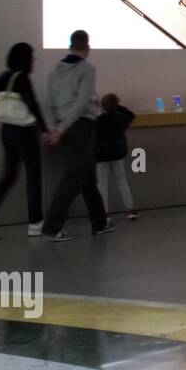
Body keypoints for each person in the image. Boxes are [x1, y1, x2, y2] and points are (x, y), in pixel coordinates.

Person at [0, 42, 51, 240]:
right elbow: (32, 104)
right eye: (32, 56)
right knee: (33, 177)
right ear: (24, 58)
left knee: (8, 176)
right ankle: (35, 224)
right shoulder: (22, 77)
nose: (34, 60)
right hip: (24, 132)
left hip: (6, 131)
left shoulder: (3, 76)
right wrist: (44, 130)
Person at [41, 30, 111, 241]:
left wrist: (55, 129)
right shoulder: (87, 69)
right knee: (73, 177)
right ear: (87, 47)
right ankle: (51, 227)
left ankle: (99, 223)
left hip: (64, 126)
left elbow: (48, 105)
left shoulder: (53, 73)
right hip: (81, 127)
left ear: (70, 45)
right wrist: (60, 130)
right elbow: (82, 103)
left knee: (86, 176)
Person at [94, 93, 137, 220]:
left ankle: (104, 213)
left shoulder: (98, 121)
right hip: (117, 154)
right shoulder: (121, 118)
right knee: (122, 181)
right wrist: (118, 107)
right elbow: (131, 114)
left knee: (101, 184)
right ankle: (130, 210)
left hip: (101, 155)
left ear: (102, 106)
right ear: (116, 105)